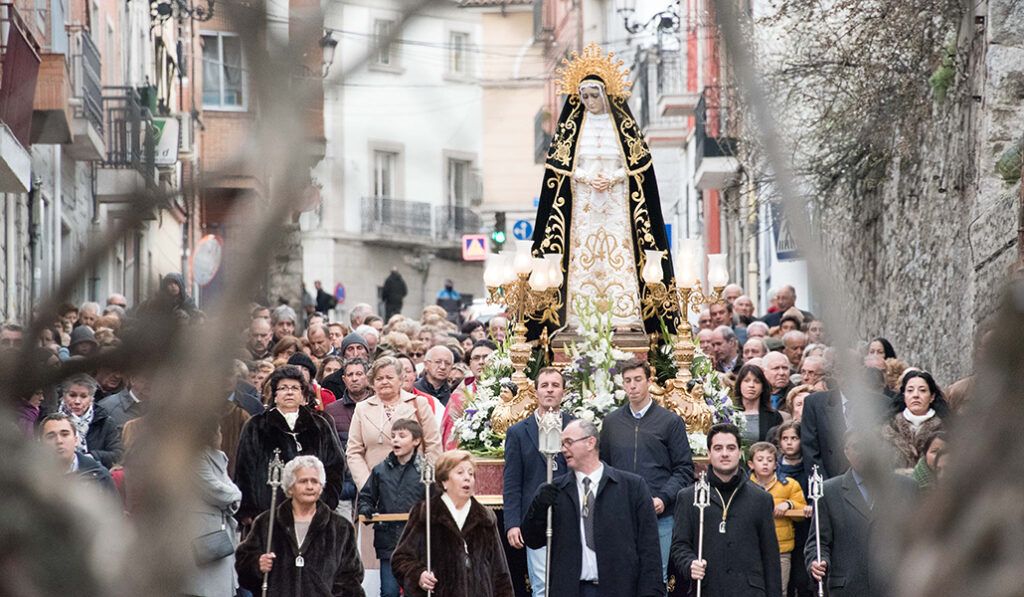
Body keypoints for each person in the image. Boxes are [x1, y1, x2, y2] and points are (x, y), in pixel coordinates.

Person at [530, 46, 676, 338]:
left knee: (617, 255)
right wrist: (585, 177)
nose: (590, 102)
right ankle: (577, 316)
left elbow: (638, 168)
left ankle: (624, 314)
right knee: (583, 255)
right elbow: (561, 168)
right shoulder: (572, 130)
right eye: (584, 97)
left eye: (594, 95)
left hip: (616, 205)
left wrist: (613, 177)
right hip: (582, 207)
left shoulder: (623, 129)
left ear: (607, 94)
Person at [521, 419, 662, 597]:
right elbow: (532, 540)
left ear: (590, 442)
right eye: (562, 444)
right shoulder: (556, 490)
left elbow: (649, 549)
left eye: (569, 442)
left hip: (618, 589)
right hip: (572, 590)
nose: (563, 449)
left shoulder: (631, 487)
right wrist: (539, 507)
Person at [599, 358, 693, 579]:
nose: (632, 386)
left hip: (659, 514)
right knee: (620, 576)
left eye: (638, 380)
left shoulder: (670, 422)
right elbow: (603, 467)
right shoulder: (612, 422)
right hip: (620, 514)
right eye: (627, 381)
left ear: (649, 382)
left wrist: (663, 498)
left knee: (654, 576)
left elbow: (683, 469)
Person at [671, 423, 783, 597]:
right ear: (708, 453)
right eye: (718, 448)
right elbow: (679, 546)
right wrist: (690, 563)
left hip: (749, 591)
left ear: (740, 453)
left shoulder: (761, 498)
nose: (724, 453)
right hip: (707, 589)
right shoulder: (688, 497)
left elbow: (770, 557)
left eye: (731, 448)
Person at [805, 431, 915, 597]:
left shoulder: (907, 488)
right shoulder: (828, 492)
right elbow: (818, 541)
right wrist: (817, 561)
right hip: (849, 588)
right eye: (856, 447)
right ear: (846, 452)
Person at [236, 455, 365, 596]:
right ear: (290, 487)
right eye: (303, 481)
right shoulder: (267, 523)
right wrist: (257, 565)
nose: (310, 486)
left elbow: (351, 579)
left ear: (321, 487)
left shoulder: (341, 528)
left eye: (315, 481)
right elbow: (243, 566)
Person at [391, 450, 514, 597]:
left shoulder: (485, 518)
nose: (467, 478)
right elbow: (400, 559)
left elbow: (500, 573)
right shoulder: (426, 514)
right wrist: (419, 575)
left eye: (471, 473)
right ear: (444, 481)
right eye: (460, 473)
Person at [234, 366, 346, 523]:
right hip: (268, 515)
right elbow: (244, 470)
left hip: (313, 514)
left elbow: (335, 466)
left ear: (302, 394)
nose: (289, 392)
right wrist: (248, 510)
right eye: (283, 388)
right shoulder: (257, 426)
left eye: (295, 388)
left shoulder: (319, 425)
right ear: (275, 395)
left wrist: (327, 502)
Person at [503, 368, 573, 597]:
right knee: (542, 586)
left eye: (555, 385)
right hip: (534, 520)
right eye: (544, 385)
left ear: (564, 392)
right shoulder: (518, 432)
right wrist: (513, 523)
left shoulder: (576, 428)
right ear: (535, 391)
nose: (550, 389)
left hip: (570, 517)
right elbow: (512, 482)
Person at [347, 356, 442, 492]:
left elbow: (433, 446)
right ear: (372, 382)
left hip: (414, 487)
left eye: (389, 377)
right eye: (379, 378)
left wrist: (425, 481)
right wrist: (367, 485)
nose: (384, 382)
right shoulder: (362, 408)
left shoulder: (419, 404)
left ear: (400, 379)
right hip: (375, 489)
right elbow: (354, 451)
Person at [358, 419, 426, 597]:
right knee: (389, 592)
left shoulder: (426, 471)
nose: (395, 440)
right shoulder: (380, 470)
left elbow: (437, 502)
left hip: (417, 543)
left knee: (415, 590)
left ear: (416, 441)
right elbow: (366, 496)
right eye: (393, 436)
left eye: (402, 436)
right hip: (388, 541)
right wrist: (366, 508)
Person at [182, 423, 243, 597]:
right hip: (202, 531)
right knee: (203, 586)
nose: (221, 435)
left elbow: (229, 489)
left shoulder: (219, 457)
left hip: (221, 529)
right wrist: (234, 497)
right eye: (218, 431)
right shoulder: (195, 459)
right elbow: (216, 491)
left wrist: (233, 497)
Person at [748, 442, 807, 594]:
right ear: (750, 464)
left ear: (776, 464)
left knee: (779, 590)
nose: (765, 464)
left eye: (769, 460)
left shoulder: (789, 484)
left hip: (781, 550)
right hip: (752, 549)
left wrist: (789, 504)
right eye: (760, 460)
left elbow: (803, 511)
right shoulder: (745, 486)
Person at [881, 370, 946, 469]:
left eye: (922, 390)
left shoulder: (946, 429)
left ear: (932, 397)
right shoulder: (887, 428)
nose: (916, 395)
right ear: (904, 395)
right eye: (910, 390)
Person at [57, 373, 123, 469]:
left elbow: (118, 454)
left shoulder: (104, 421)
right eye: (72, 395)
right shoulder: (50, 419)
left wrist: (93, 456)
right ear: (64, 395)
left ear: (91, 399)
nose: (77, 401)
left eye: (83, 396)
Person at [39, 413, 118, 494]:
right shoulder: (31, 479)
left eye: (65, 434)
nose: (59, 441)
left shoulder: (99, 476)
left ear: (75, 440)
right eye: (51, 436)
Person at [441, 340, 496, 449]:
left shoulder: (508, 389)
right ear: (470, 364)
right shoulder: (459, 396)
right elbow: (450, 435)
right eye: (476, 358)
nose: (481, 362)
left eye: (486, 357)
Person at [733, 364, 784, 444]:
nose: (751, 385)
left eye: (757, 382)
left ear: (763, 387)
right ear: (739, 385)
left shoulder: (773, 416)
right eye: (746, 380)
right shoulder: (730, 414)